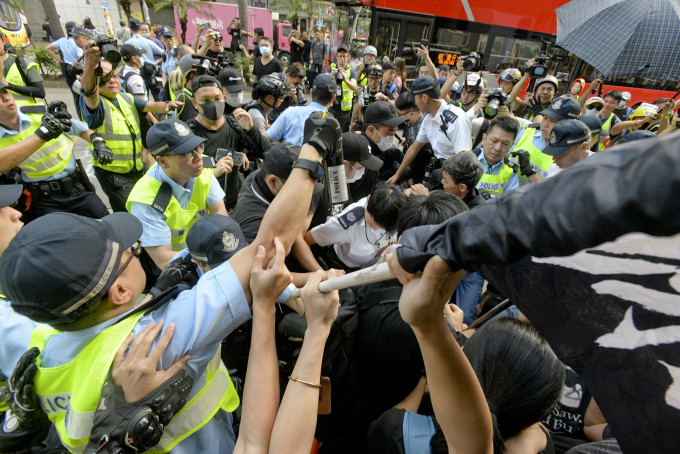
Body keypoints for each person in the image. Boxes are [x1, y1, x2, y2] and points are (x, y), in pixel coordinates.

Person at [0, 111, 338, 453]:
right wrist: (314, 150)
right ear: (119, 291)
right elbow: (267, 248)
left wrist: (159, 292)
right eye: (130, 252)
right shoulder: (160, 338)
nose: (135, 250)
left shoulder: (38, 349)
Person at [79, 41, 182, 212]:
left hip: (135, 168)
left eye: (114, 76)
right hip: (113, 174)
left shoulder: (125, 97)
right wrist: (89, 64)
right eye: (104, 77)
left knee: (142, 208)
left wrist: (167, 105)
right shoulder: (93, 104)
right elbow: (89, 91)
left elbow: (148, 105)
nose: (112, 81)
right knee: (131, 212)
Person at [126, 119, 227, 270]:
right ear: (162, 161)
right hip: (174, 267)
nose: (199, 157)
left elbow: (220, 214)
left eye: (198, 147)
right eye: (187, 153)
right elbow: (162, 259)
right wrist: (209, 265)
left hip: (206, 256)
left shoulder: (202, 168)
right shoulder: (146, 198)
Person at [0, 84, 109, 220]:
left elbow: (80, 129)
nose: (6, 98)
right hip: (45, 200)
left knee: (107, 227)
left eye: (5, 92)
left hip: (78, 190)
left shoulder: (39, 112)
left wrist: (99, 143)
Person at [230, 143, 326, 280]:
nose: (306, 194)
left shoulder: (264, 176)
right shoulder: (254, 224)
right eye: (298, 189)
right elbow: (264, 278)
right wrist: (321, 276)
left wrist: (319, 271)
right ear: (273, 182)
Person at [188, 74, 269, 210]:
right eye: (205, 100)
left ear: (224, 99)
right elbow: (183, 176)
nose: (213, 104)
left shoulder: (236, 125)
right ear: (194, 103)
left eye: (217, 98)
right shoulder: (188, 134)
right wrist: (212, 172)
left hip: (235, 205)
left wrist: (251, 129)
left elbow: (267, 153)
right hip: (203, 208)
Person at [388, 76, 471, 184]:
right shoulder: (428, 119)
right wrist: (397, 175)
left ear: (424, 98)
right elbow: (414, 148)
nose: (414, 103)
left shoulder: (457, 120)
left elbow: (464, 162)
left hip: (454, 179)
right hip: (438, 174)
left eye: (415, 98)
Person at [305, 183, 406, 270]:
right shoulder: (346, 224)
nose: (376, 229)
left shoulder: (395, 216)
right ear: (368, 199)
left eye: (382, 228)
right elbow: (308, 238)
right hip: (342, 267)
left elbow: (387, 243)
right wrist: (321, 273)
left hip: (370, 266)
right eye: (372, 223)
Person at [509, 95, 581, 184]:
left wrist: (530, 172)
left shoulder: (571, 155)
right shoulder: (527, 131)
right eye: (545, 117)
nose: (545, 124)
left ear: (570, 124)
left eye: (553, 121)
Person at [353, 101, 406, 200]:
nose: (392, 137)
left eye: (394, 131)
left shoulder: (378, 147)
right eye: (389, 131)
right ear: (371, 130)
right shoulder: (365, 162)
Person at [265, 73, 337, 145]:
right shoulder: (332, 125)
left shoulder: (290, 112)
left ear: (311, 92)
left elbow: (265, 139)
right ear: (333, 98)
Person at [473, 116, 520, 195]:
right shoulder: (466, 160)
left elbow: (511, 201)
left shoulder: (511, 171)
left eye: (505, 144)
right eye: (494, 141)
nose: (498, 148)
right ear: (484, 138)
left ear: (511, 146)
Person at [1, 32, 46, 110]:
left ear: (3, 42)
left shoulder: (21, 63)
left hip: (26, 116)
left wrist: (8, 85)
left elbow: (40, 92)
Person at [126, 18, 164, 101]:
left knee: (143, 97)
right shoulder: (148, 42)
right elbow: (162, 52)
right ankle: (160, 113)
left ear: (130, 28)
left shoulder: (127, 44)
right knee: (157, 96)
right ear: (139, 28)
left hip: (138, 71)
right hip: (151, 71)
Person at [326, 45, 358, 131]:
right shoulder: (330, 68)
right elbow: (323, 82)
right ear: (336, 56)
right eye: (340, 56)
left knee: (343, 134)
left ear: (348, 56)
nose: (342, 59)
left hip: (345, 111)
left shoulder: (351, 71)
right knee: (330, 132)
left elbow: (354, 87)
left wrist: (346, 80)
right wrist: (330, 75)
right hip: (331, 107)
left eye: (344, 56)